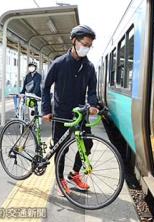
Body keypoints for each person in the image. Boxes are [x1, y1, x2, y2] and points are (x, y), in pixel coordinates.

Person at [42, 25, 99, 195]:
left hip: (80, 113)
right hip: (61, 113)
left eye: (89, 45)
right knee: (62, 149)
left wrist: (93, 105)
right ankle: (60, 180)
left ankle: (74, 174)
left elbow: (93, 91)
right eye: (84, 44)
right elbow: (45, 87)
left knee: (87, 144)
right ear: (74, 41)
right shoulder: (59, 63)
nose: (86, 48)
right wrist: (46, 110)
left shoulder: (89, 67)